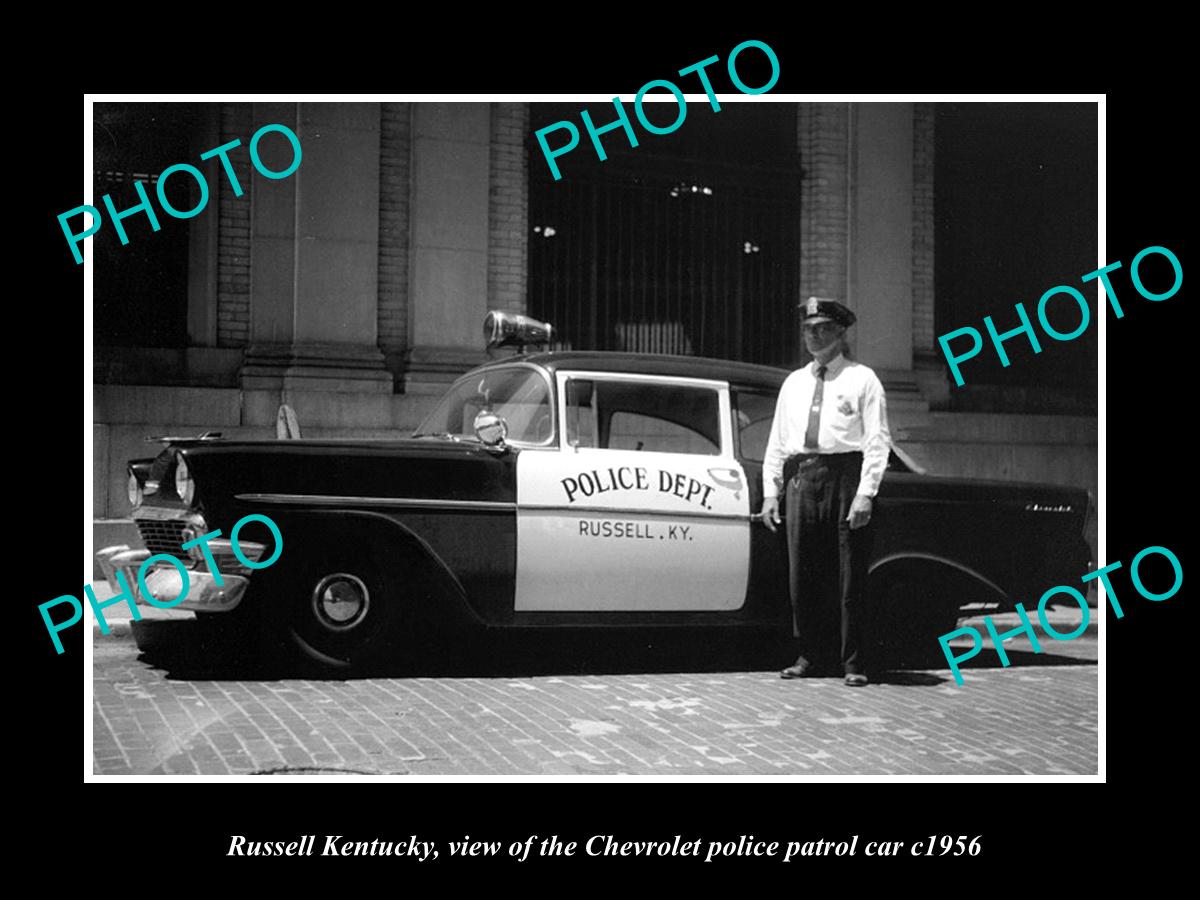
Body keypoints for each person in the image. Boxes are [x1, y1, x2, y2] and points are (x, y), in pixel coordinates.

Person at [760, 297, 892, 687]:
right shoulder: (794, 382)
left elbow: (877, 441)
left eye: (821, 328)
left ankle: (853, 660)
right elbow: (778, 443)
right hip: (803, 480)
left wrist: (865, 493)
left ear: (840, 332)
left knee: (849, 576)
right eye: (807, 329)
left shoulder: (862, 379)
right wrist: (772, 492)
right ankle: (809, 655)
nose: (813, 335)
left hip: (845, 479)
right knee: (804, 575)